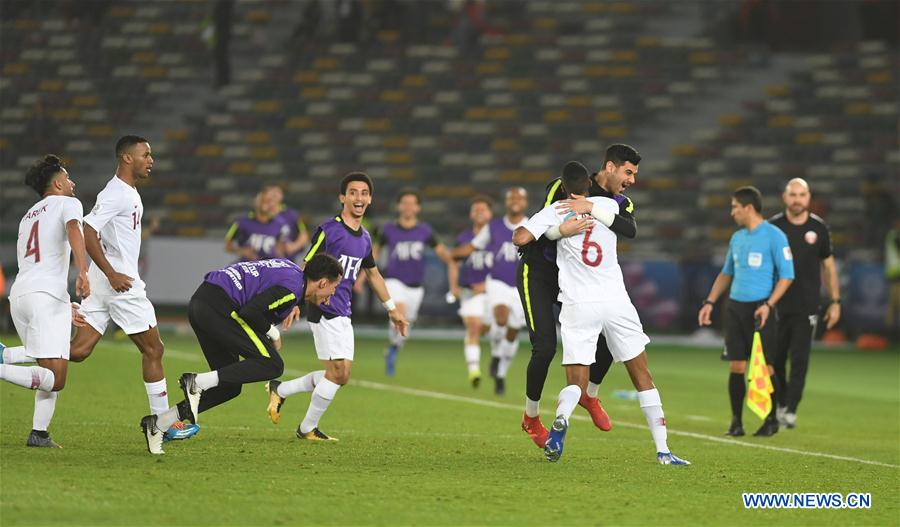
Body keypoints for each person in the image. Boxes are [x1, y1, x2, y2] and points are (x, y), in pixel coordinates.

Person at [513, 162, 690, 465]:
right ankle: (663, 451)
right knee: (642, 376)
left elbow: (519, 237)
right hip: (612, 300)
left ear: (566, 188)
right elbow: (627, 228)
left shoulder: (558, 207)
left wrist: (559, 229)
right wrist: (591, 209)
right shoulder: (609, 205)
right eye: (629, 174)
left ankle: (568, 412)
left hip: (579, 302)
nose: (630, 181)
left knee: (573, 379)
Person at [139, 254, 342, 454]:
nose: (330, 298)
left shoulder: (290, 272)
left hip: (202, 303)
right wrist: (274, 333)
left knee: (229, 387)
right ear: (323, 283)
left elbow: (261, 286)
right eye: (333, 290)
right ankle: (197, 383)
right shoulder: (292, 288)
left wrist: (293, 303)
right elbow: (251, 312)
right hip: (220, 307)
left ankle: (159, 424)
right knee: (272, 364)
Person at [68, 136, 197, 441]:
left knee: (78, 350)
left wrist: (101, 273)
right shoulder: (116, 193)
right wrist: (112, 273)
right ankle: (165, 425)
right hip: (121, 283)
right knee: (154, 349)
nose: (151, 160)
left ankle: (9, 357)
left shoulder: (127, 191)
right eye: (145, 155)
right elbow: (89, 230)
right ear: (127, 158)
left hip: (106, 282)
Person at [265, 172, 409, 441]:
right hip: (324, 307)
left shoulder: (365, 237)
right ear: (343, 197)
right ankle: (307, 428)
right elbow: (306, 265)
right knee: (339, 374)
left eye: (364, 193)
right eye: (353, 192)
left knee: (340, 375)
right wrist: (296, 300)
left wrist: (392, 309)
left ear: (370, 199)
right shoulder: (329, 230)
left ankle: (281, 390)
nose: (359, 197)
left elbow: (373, 274)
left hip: (344, 310)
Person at [516, 144, 640, 447]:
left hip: (577, 281)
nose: (632, 180)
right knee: (544, 348)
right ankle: (531, 418)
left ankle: (589, 395)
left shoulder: (620, 202)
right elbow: (542, 225)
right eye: (628, 172)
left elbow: (629, 229)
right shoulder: (566, 186)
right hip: (541, 273)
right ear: (609, 167)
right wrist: (561, 230)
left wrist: (593, 209)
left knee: (611, 338)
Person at [0, 155, 90, 448]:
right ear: (59, 183)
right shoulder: (68, 203)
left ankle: (39, 433)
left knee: (52, 357)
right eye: (69, 178)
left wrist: (64, 307)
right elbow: (75, 230)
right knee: (56, 377)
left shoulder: (28, 216)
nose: (73, 183)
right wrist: (83, 271)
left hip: (22, 296)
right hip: (44, 295)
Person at [698, 186, 794, 437]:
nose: (732, 213)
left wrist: (769, 304)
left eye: (735, 207)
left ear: (748, 208)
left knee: (767, 367)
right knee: (737, 366)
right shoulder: (737, 238)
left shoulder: (775, 236)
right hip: (735, 308)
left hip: (761, 308)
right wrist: (710, 302)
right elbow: (726, 272)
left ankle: (771, 418)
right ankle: (736, 422)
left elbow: (787, 276)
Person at [769, 178, 841, 429]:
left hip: (807, 306)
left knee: (799, 360)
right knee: (775, 360)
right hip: (776, 305)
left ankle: (790, 409)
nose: (797, 199)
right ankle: (780, 403)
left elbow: (829, 266)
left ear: (808, 198)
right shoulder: (773, 227)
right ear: (785, 197)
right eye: (793, 194)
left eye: (802, 194)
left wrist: (835, 301)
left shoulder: (818, 228)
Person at [374, 188, 456, 376]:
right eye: (405, 203)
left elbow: (442, 252)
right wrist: (362, 277)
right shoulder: (387, 229)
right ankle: (393, 345)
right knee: (399, 313)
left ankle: (393, 348)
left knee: (405, 327)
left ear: (418, 208)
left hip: (416, 287)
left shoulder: (425, 231)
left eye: (412, 203)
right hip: (394, 281)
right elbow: (374, 254)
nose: (408, 207)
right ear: (399, 206)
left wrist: (454, 261)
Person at [453, 187, 528, 395]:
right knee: (501, 318)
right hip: (498, 282)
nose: (515, 201)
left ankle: (501, 372)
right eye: (511, 197)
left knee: (513, 331)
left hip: (521, 285)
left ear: (525, 202)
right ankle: (495, 355)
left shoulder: (533, 225)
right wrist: (455, 254)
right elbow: (474, 246)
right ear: (506, 202)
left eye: (519, 198)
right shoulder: (494, 227)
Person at [451, 195, 494, 386]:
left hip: (494, 292)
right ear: (470, 214)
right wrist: (454, 287)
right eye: (475, 209)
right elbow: (454, 263)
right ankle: (474, 369)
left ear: (490, 213)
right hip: (470, 291)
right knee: (474, 327)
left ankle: (498, 360)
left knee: (490, 328)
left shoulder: (497, 238)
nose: (479, 213)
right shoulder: (463, 238)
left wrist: (487, 285)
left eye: (483, 209)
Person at [225, 185, 290, 261]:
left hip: (268, 269)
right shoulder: (241, 222)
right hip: (247, 267)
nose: (264, 204)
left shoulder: (280, 224)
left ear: (273, 204)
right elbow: (227, 245)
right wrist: (242, 251)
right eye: (262, 200)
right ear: (256, 202)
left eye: (268, 201)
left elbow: (281, 249)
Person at [265, 183, 310, 262]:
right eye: (271, 194)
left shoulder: (291, 215)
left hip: (289, 258)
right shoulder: (260, 215)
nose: (273, 197)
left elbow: (303, 234)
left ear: (281, 196)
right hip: (264, 257)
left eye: (276, 194)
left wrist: (294, 246)